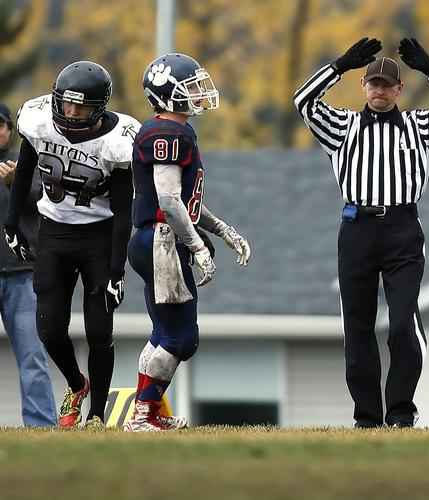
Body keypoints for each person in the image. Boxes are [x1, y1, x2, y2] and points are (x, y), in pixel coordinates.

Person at [294, 37, 429, 428]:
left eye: (386, 85)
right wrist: (339, 65)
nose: (379, 90)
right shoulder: (343, 126)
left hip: (402, 231)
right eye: (372, 84)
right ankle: (367, 419)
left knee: (401, 324)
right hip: (356, 230)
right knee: (357, 329)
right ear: (364, 87)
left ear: (398, 89)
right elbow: (303, 102)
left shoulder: (421, 126)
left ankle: (401, 414)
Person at [3, 61, 140, 429]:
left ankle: (96, 416)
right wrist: (12, 223)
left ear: (99, 108)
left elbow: (124, 210)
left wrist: (117, 269)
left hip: (100, 234)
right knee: (48, 329)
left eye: (80, 107)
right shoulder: (37, 121)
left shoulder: (118, 141)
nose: (71, 112)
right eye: (66, 104)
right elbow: (25, 172)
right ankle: (77, 384)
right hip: (54, 231)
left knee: (99, 329)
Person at [124, 53, 251, 432]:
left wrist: (224, 231)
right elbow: (168, 200)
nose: (199, 93)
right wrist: (196, 246)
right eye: (189, 86)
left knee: (165, 333)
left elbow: (186, 202)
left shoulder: (179, 131)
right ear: (166, 94)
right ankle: (143, 413)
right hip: (162, 241)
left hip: (156, 238)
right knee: (181, 337)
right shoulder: (167, 132)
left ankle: (151, 412)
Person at [0, 103, 57, 427]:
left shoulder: (27, 163)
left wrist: (14, 183)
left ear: (11, 129)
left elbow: (48, 201)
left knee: (32, 356)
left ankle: (41, 425)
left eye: (1, 125)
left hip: (22, 275)